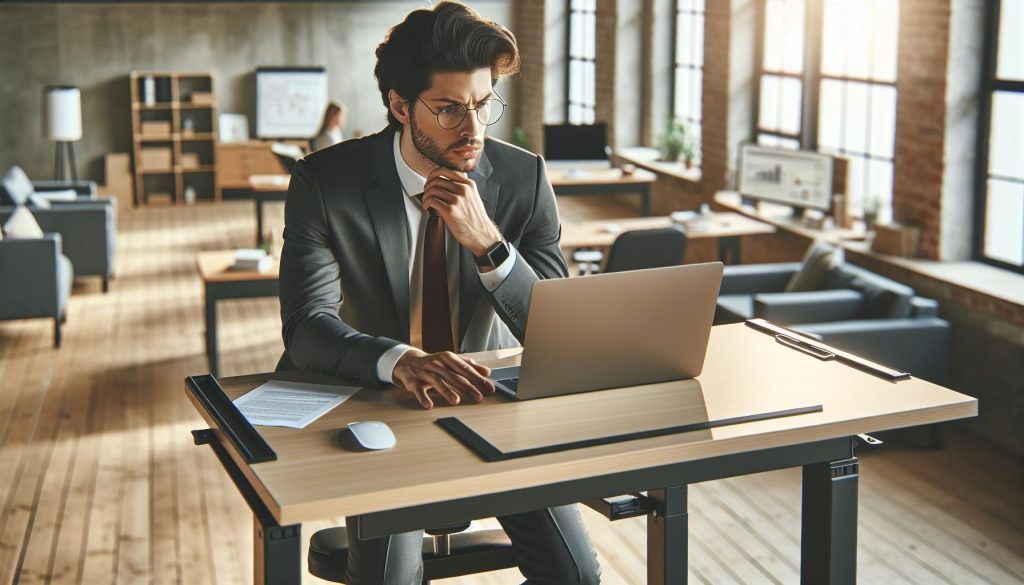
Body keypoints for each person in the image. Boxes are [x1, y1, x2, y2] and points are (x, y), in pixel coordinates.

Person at [278, 2, 601, 584]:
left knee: (575, 575)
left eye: (483, 105)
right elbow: (307, 324)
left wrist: (490, 246)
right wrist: (402, 362)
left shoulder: (523, 177)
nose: (473, 129)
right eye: (450, 109)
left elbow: (561, 328)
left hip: (495, 402)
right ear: (401, 106)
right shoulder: (325, 183)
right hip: (380, 404)